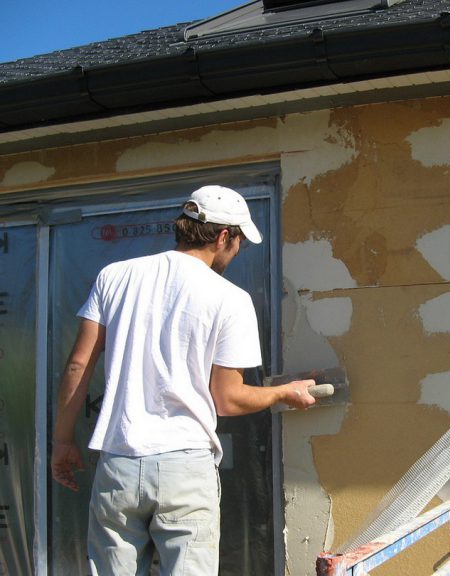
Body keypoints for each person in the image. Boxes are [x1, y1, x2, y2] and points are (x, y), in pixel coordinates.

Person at [51, 185, 316, 575]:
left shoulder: (115, 277)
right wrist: (284, 392)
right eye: (239, 240)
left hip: (119, 462)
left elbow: (78, 365)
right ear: (224, 236)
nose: (239, 251)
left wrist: (61, 440)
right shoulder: (230, 298)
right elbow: (229, 399)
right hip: (185, 467)